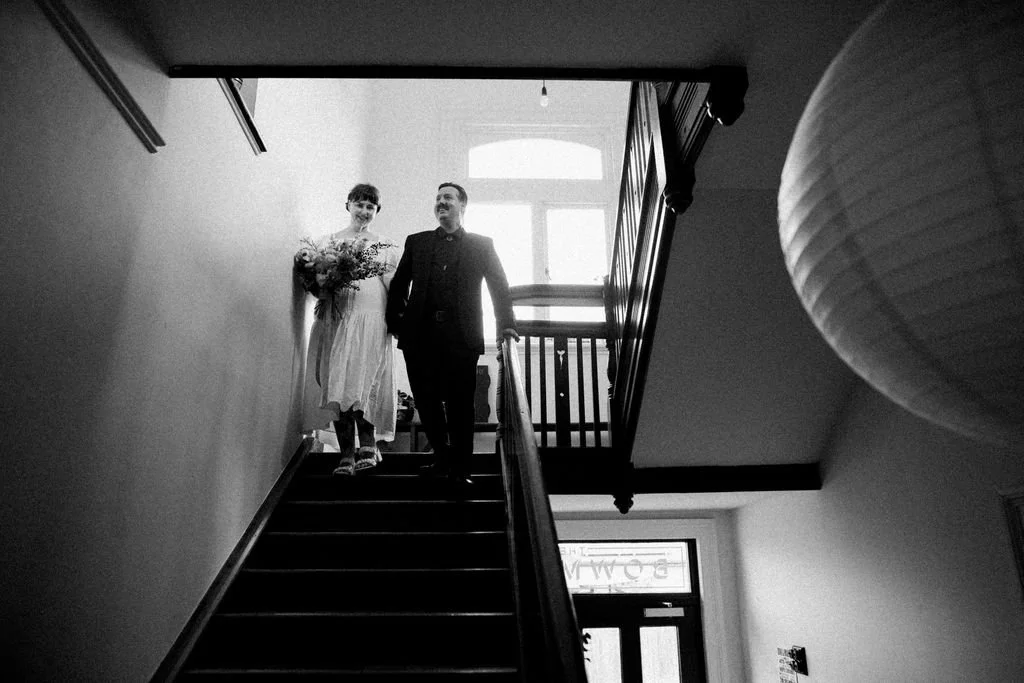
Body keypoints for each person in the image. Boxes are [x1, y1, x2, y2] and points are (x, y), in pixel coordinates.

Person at [385, 182, 518, 494]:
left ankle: (461, 468)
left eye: (448, 197)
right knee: (427, 402)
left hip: (461, 336)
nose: (441, 202)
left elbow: (499, 285)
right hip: (420, 336)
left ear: (462, 206)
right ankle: (441, 459)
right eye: (438, 198)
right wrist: (397, 322)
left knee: (461, 405)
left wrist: (506, 325)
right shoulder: (416, 242)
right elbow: (399, 283)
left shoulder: (481, 245)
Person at [302, 183, 399, 476]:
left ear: (376, 211)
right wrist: (320, 280)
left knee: (366, 381)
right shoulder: (327, 243)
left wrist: (397, 321)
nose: (364, 211)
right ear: (348, 205)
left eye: (371, 207)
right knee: (339, 382)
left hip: (371, 322)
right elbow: (316, 288)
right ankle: (345, 452)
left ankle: (368, 445)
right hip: (336, 322)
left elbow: (393, 289)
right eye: (359, 204)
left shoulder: (385, 245)